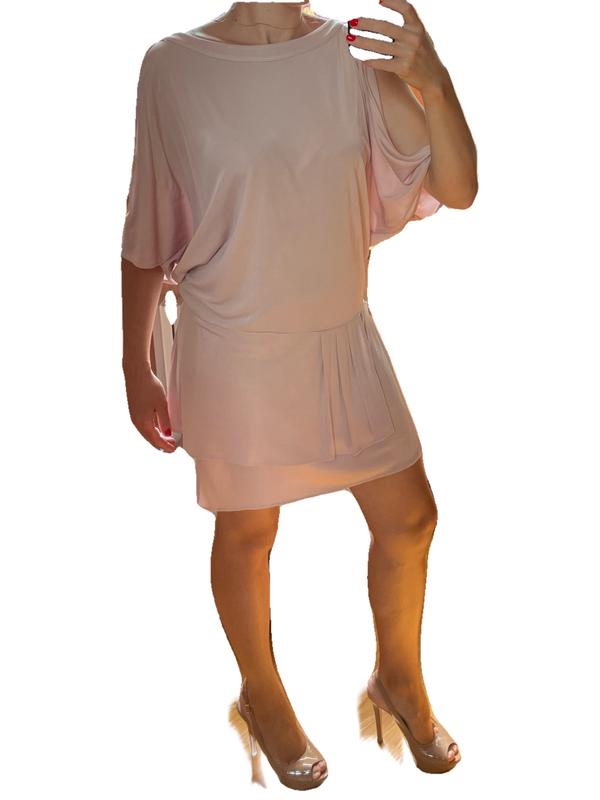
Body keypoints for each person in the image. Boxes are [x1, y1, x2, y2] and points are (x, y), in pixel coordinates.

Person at [120, 0, 477, 789]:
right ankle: (263, 697)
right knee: (249, 533)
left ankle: (398, 680)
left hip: (341, 335)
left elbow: (458, 187)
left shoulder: (350, 57)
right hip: (232, 346)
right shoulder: (173, 67)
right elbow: (147, 226)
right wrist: (135, 361)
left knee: (411, 518)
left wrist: (435, 81)